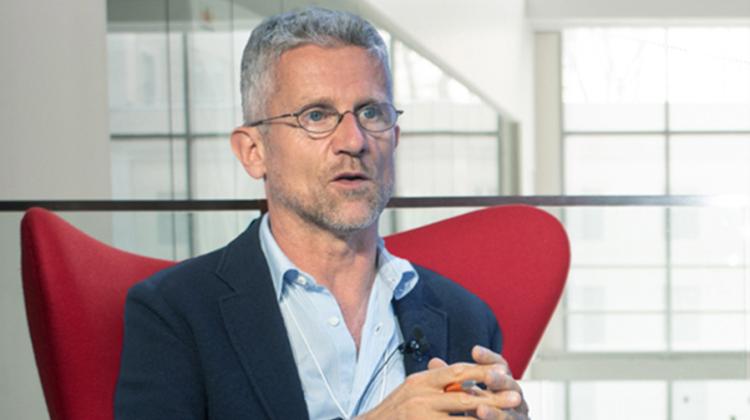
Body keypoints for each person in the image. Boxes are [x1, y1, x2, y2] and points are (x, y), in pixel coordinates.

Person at [115, 7, 529, 420]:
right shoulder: (174, 312)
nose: (353, 140)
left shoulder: (465, 317)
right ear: (253, 152)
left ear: (395, 139)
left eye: (371, 112)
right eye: (316, 115)